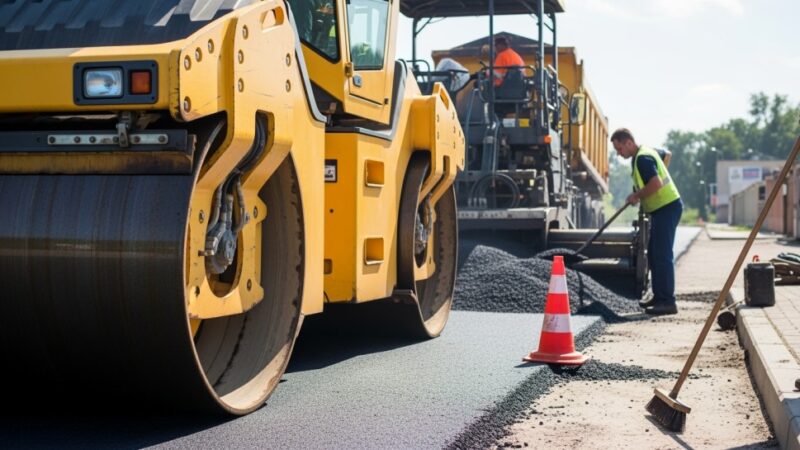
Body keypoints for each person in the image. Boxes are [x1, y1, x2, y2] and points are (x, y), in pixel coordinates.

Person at [611, 128, 683, 315]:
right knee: (653, 253)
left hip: (667, 208)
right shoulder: (644, 154)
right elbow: (665, 155)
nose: (619, 154)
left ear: (628, 142)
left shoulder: (643, 158)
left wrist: (637, 195)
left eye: (620, 149)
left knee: (662, 255)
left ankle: (668, 301)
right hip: (661, 209)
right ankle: (659, 296)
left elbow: (656, 184)